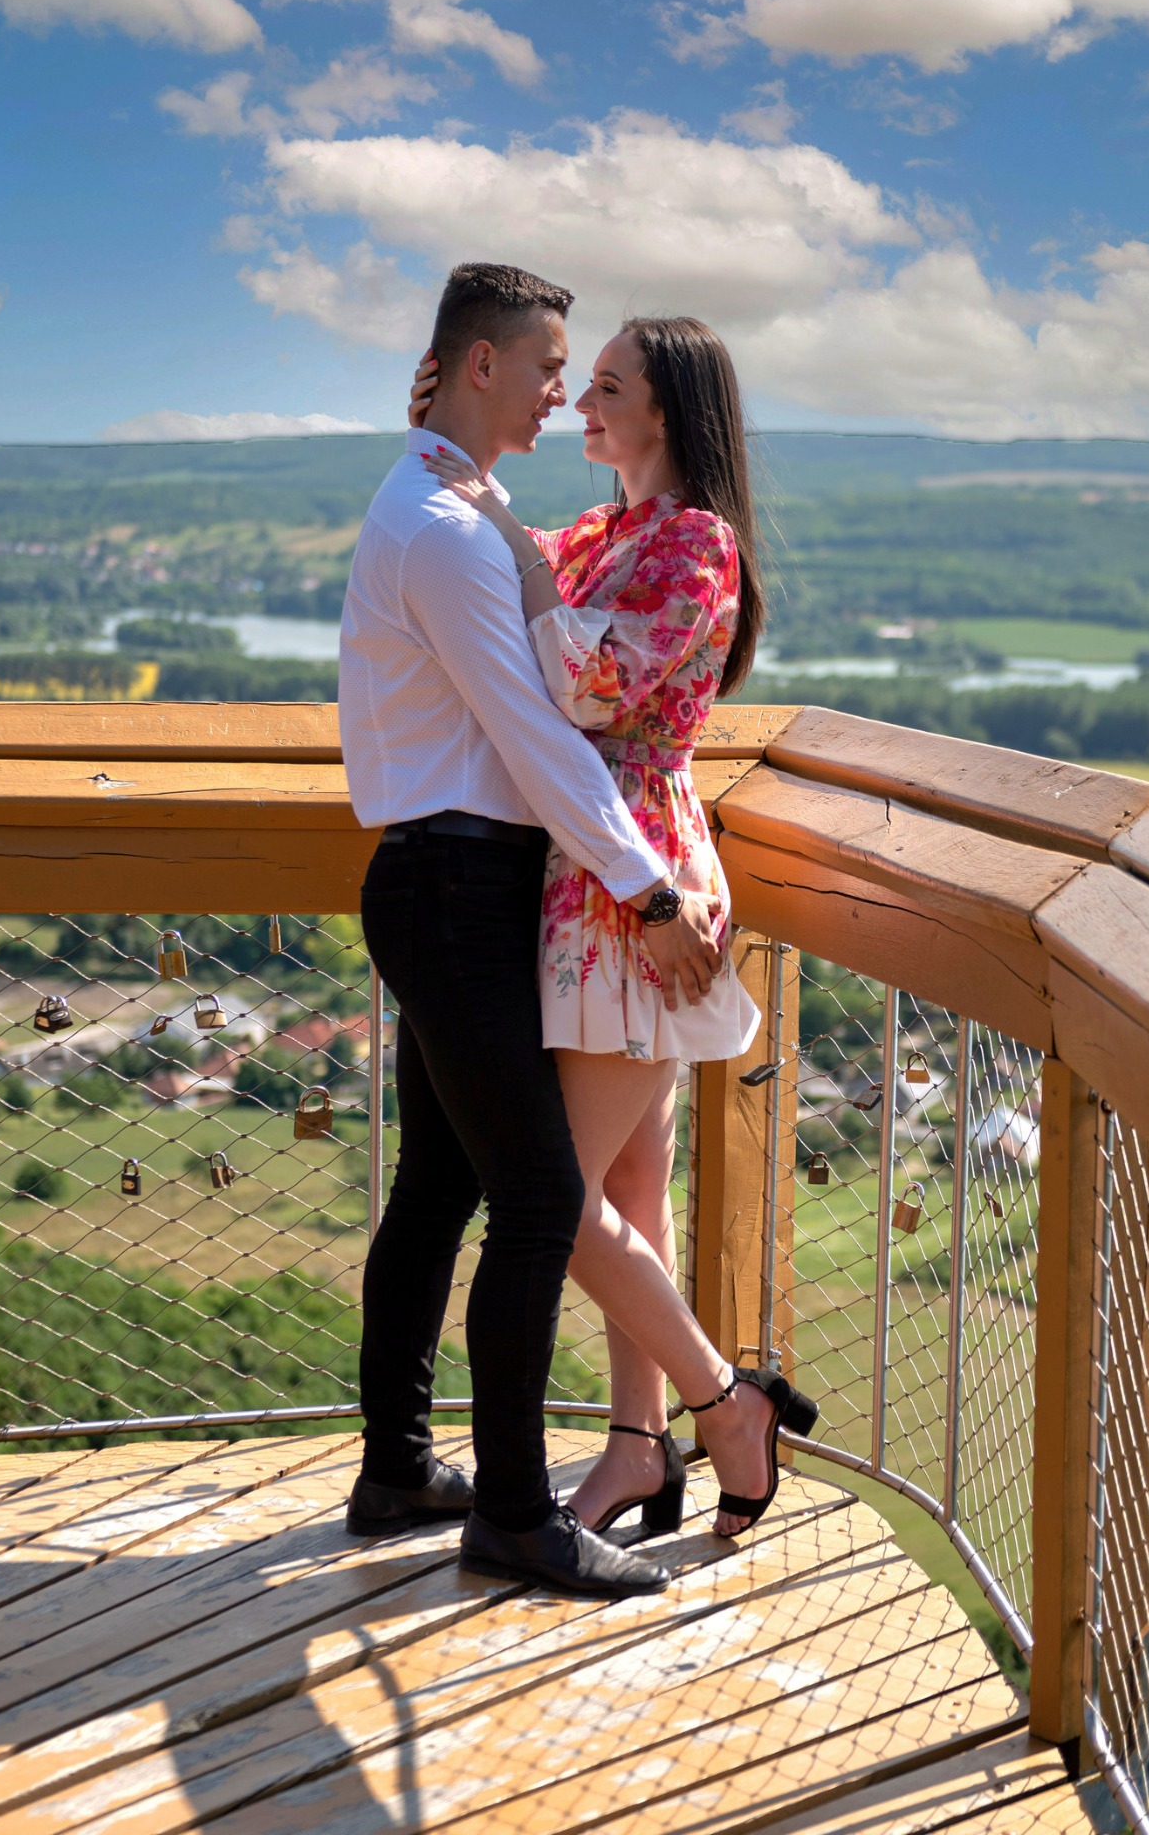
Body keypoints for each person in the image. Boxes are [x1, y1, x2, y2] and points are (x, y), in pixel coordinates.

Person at [339, 262, 729, 1601]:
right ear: (482, 363)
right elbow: (538, 735)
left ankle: (398, 1466)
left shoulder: (453, 503)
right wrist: (652, 894)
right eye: (553, 365)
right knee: (542, 1198)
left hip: (458, 883)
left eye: (588, 376)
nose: (563, 392)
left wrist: (438, 434)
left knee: (441, 1187)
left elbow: (544, 634)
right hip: (458, 887)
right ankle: (514, 1513)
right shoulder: (449, 529)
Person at [413, 314, 818, 1540]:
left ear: (667, 411)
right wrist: (439, 437)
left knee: (546, 1194)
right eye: (578, 383)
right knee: (630, 1184)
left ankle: (724, 1405)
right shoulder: (601, 532)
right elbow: (497, 580)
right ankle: (638, 1447)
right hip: (593, 872)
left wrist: (514, 553)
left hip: (635, 890)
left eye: (604, 386)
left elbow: (590, 683)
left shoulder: (695, 543)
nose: (578, 405)